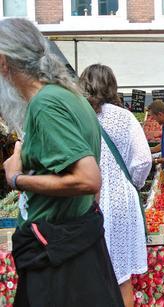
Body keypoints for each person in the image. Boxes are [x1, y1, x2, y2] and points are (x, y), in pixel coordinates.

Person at [0, 18, 123, 306]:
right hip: (69, 245)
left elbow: (89, 179)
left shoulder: (47, 103)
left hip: (58, 254)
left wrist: (16, 178)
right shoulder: (69, 97)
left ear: (4, 62)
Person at [79, 64, 152, 307]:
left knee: (87, 275)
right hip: (121, 201)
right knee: (122, 279)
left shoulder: (76, 117)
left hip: (84, 201)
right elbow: (142, 160)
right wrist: (134, 183)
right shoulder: (124, 117)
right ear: (112, 87)